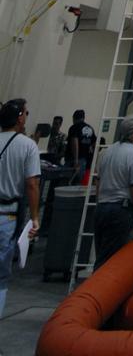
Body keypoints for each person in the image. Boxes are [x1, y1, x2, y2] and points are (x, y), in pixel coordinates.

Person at [93, 113, 133, 269]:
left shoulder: (106, 152)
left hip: (101, 208)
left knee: (102, 254)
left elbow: (98, 183)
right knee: (112, 261)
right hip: (119, 211)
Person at [0, 98, 40, 317]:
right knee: (1, 277)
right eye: (26, 113)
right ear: (19, 118)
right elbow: (32, 184)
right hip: (6, 216)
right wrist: (35, 218)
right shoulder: (27, 145)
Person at [65, 109, 96, 183]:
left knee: (66, 181)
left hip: (73, 160)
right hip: (84, 159)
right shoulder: (90, 128)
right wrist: (90, 148)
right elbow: (95, 141)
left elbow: (74, 142)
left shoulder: (74, 127)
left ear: (74, 118)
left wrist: (76, 159)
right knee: (78, 182)